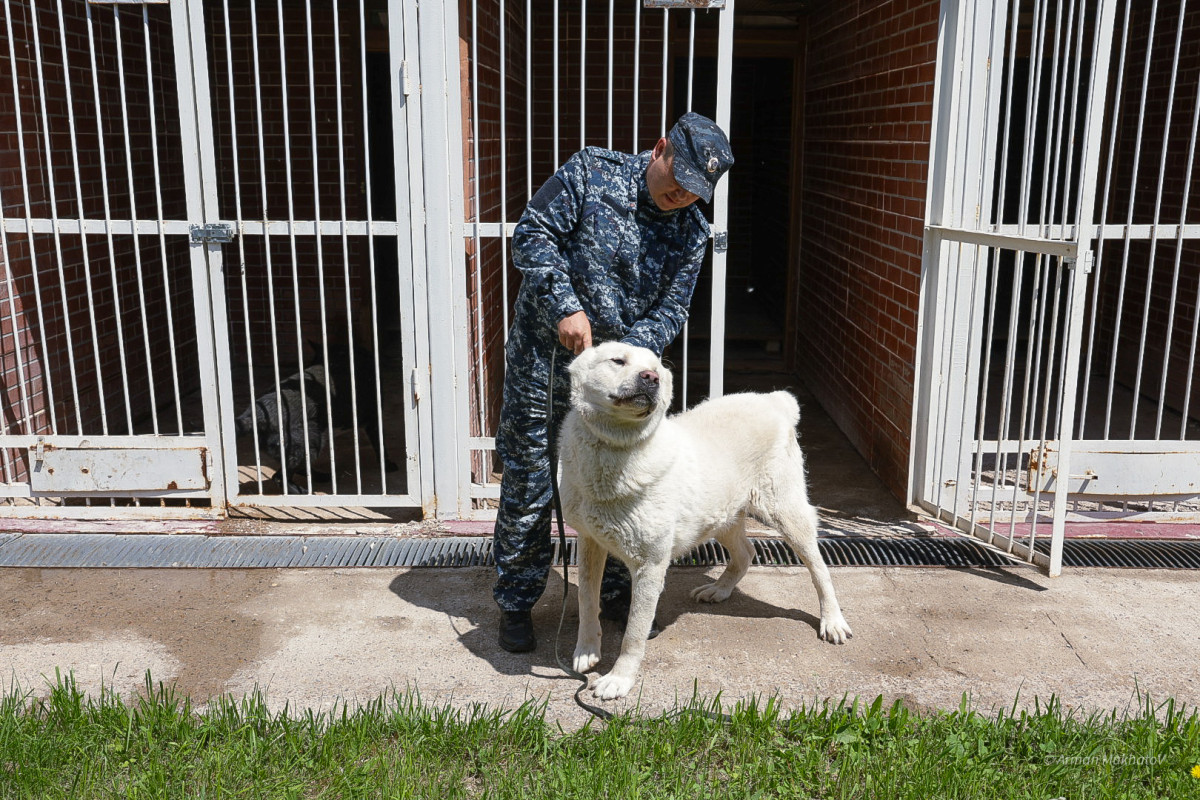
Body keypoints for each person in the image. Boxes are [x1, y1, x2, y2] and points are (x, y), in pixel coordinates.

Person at [493, 112, 734, 652]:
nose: (682, 197)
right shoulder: (590, 172)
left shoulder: (693, 230)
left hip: (619, 387)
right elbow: (532, 235)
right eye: (680, 180)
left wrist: (627, 355)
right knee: (531, 486)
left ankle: (618, 597)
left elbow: (674, 309)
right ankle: (516, 600)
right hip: (546, 362)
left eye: (697, 191)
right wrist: (565, 306)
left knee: (626, 489)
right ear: (659, 149)